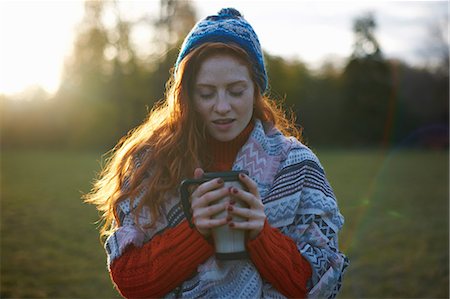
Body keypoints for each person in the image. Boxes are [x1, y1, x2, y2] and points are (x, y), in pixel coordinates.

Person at [85, 7, 348, 299]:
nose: (222, 107)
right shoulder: (151, 161)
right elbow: (130, 281)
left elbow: (319, 284)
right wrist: (198, 232)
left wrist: (260, 233)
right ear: (186, 95)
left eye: (236, 91)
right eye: (206, 93)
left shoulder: (297, 166)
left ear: (256, 90)